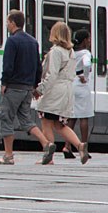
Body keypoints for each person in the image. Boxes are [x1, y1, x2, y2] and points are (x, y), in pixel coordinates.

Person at [0, 11, 53, 165]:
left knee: (5, 118)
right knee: (26, 120)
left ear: (13, 23)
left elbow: (8, 65)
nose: (6, 24)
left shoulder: (12, 41)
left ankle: (8, 156)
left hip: (13, 87)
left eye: (7, 22)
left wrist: (4, 83)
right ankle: (46, 144)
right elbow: (38, 67)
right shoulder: (33, 42)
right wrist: (34, 86)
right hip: (27, 89)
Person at [34, 22, 89, 165]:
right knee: (59, 125)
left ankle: (48, 156)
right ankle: (80, 145)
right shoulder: (70, 52)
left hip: (54, 91)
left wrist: (40, 90)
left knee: (46, 122)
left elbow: (51, 75)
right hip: (67, 90)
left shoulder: (56, 51)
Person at [62, 29, 93, 159]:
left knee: (72, 118)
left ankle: (67, 146)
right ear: (85, 40)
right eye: (89, 38)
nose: (90, 41)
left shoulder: (71, 52)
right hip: (81, 85)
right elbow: (87, 63)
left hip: (71, 83)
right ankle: (83, 147)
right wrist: (85, 76)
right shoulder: (86, 53)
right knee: (84, 117)